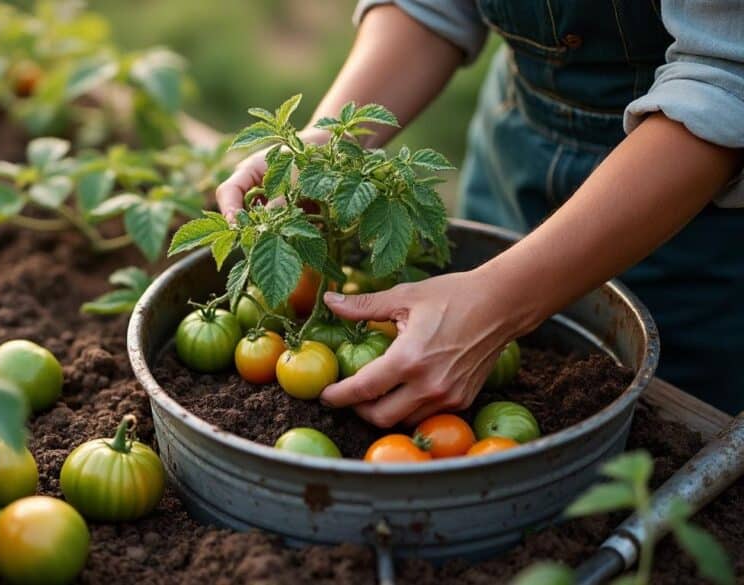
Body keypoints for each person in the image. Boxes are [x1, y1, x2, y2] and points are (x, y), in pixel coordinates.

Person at [215, 1, 744, 423]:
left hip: (693, 220)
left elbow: (725, 79)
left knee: (665, 427)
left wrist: (495, 300)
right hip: (517, 149)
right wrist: (325, 150)